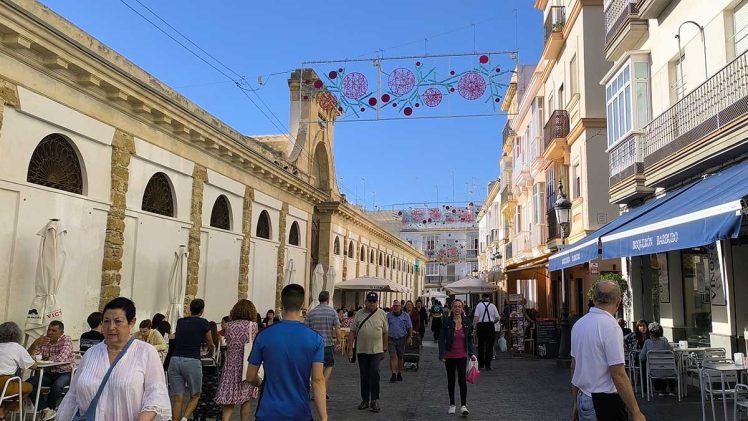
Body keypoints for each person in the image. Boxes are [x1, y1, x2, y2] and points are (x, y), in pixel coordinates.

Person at [57, 297, 171, 420]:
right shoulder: (91, 354)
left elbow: (156, 394)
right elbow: (73, 396)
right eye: (106, 321)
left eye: (118, 321)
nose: (111, 327)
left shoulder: (146, 352)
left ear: (131, 323)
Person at [246, 284, 327, 421]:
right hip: (299, 413)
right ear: (302, 305)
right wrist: (324, 417)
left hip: (268, 412)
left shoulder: (264, 335)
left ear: (281, 304)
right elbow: (318, 380)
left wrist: (260, 383)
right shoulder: (315, 339)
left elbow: (250, 376)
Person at [571, 281, 645, 421]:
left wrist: (576, 401)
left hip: (584, 396)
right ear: (618, 301)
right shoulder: (611, 326)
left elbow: (574, 366)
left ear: (594, 299)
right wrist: (636, 411)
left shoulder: (579, 324)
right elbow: (618, 373)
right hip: (604, 401)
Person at [168, 298, 214, 421]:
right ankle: (185, 418)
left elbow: (177, 336)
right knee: (195, 394)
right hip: (192, 360)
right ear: (202, 310)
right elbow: (210, 342)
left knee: (178, 398)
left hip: (175, 359)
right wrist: (211, 351)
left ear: (190, 309)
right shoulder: (204, 322)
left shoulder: (181, 321)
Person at [214, 299, 260, 421]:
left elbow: (227, 342)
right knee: (245, 400)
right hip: (245, 366)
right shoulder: (253, 326)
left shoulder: (228, 326)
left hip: (230, 366)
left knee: (229, 401)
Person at [346, 292, 388, 413]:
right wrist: (350, 349)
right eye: (370, 301)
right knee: (364, 375)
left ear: (377, 302)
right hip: (362, 350)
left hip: (376, 350)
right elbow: (352, 331)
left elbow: (385, 332)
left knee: (375, 373)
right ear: (366, 302)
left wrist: (384, 347)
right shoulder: (359, 313)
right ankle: (365, 400)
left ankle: (374, 400)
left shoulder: (382, 314)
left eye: (374, 301)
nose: (372, 303)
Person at [27, 320, 74, 420]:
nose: (50, 333)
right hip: (48, 373)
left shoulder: (66, 339)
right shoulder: (44, 340)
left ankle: (48, 413)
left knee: (57, 385)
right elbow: (31, 356)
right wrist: (35, 344)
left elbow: (62, 357)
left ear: (61, 333)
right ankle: (46, 410)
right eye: (49, 330)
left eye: (54, 331)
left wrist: (46, 359)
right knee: (29, 383)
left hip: (64, 372)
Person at [438, 299, 475, 416]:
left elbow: (469, 340)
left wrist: (471, 354)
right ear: (452, 308)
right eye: (455, 306)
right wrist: (442, 354)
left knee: (462, 381)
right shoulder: (447, 321)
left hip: (462, 355)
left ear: (462, 308)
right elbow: (441, 339)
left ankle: (463, 405)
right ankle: (452, 404)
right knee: (451, 380)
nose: (457, 309)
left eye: (459, 306)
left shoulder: (467, 321)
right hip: (449, 355)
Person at [305, 291, 342, 399]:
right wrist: (339, 342)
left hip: (313, 345)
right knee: (329, 365)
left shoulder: (311, 312)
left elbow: (305, 329)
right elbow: (337, 328)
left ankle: (316, 389)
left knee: (315, 367)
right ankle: (321, 387)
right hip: (327, 343)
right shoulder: (332, 312)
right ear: (328, 299)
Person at [0, 321, 36, 419]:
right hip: (4, 385)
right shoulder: (17, 348)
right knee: (29, 387)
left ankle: (2, 408)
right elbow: (33, 366)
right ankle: (4, 411)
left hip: (4, 385)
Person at [639, 322, 676, 396]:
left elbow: (641, 357)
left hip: (654, 371)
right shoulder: (665, 343)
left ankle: (660, 389)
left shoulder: (647, 343)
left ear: (649, 332)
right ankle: (672, 389)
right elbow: (673, 356)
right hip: (669, 371)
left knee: (655, 367)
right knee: (667, 367)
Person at [387, 300, 413, 382]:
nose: (395, 307)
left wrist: (410, 337)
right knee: (392, 356)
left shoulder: (405, 316)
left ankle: (399, 373)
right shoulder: (388, 315)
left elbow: (410, 327)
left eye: (397, 306)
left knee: (400, 357)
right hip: (391, 338)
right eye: (394, 306)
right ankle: (393, 374)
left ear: (401, 307)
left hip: (402, 338)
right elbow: (384, 327)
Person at [472, 294, 500, 370]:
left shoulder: (478, 305)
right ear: (488, 298)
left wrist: (474, 328)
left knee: (481, 345)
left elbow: (476, 318)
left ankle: (481, 364)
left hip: (481, 326)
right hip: (490, 326)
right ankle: (488, 365)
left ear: (482, 298)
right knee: (489, 346)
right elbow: (497, 318)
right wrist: (492, 322)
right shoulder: (493, 306)